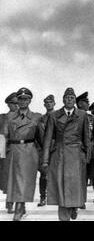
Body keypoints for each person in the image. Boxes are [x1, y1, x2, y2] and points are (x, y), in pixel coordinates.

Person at [42, 87, 90, 221]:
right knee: (61, 187)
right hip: (60, 155)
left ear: (75, 100)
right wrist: (45, 160)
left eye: (72, 98)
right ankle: (64, 216)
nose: (69, 100)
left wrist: (87, 157)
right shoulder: (54, 116)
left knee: (74, 186)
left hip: (76, 155)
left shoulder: (82, 115)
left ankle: (73, 207)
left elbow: (86, 137)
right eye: (67, 97)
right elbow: (47, 139)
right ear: (63, 100)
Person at [6, 88, 42, 221]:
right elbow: (4, 136)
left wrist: (44, 158)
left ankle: (19, 208)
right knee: (15, 182)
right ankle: (20, 206)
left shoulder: (37, 117)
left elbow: (42, 138)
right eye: (20, 99)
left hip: (29, 151)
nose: (22, 101)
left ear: (30, 100)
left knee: (24, 181)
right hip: (14, 151)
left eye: (25, 99)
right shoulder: (10, 117)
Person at [76, 91, 94, 209]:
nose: (88, 104)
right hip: (78, 150)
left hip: (91, 150)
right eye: (86, 102)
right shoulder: (74, 117)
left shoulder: (91, 117)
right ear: (80, 104)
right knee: (81, 176)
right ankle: (80, 199)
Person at [0, 92, 19, 214]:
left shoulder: (23, 117)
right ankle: (10, 203)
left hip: (21, 152)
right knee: (8, 179)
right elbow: (1, 137)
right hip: (7, 152)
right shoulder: (2, 118)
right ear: (8, 104)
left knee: (19, 179)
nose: (17, 106)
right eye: (14, 103)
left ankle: (18, 204)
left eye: (18, 103)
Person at [37, 94, 56, 207]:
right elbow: (38, 135)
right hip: (44, 149)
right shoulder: (41, 119)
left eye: (51, 102)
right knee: (44, 174)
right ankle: (43, 197)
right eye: (47, 103)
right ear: (44, 105)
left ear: (54, 104)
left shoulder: (59, 117)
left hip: (55, 149)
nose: (49, 104)